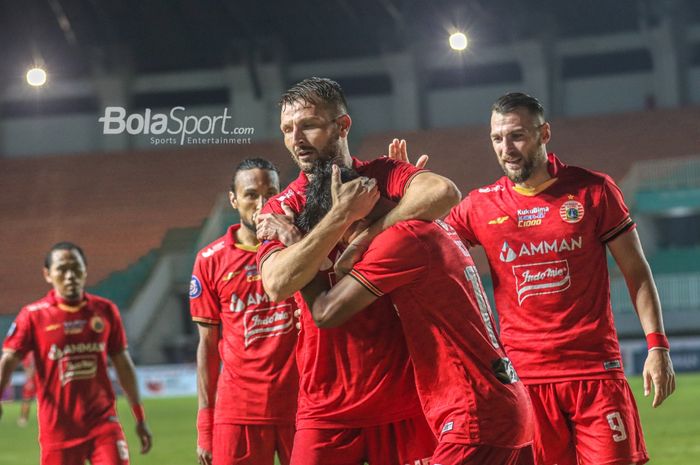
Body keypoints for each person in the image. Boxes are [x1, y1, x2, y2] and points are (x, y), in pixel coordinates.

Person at [437, 92, 676, 465]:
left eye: (516, 135)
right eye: (497, 139)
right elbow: (426, 246)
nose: (506, 148)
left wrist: (657, 347)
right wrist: (407, 195)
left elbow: (636, 272)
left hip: (596, 374)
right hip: (525, 382)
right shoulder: (480, 206)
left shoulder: (593, 190)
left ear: (544, 132)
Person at [255, 77, 460, 465]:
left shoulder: (383, 174)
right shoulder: (283, 205)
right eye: (286, 129)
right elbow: (277, 284)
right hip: (325, 405)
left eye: (309, 125)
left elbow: (444, 193)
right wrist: (340, 216)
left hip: (406, 397)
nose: (296, 138)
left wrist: (366, 235)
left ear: (343, 126)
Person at [296, 182, 535, 465]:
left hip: (472, 415)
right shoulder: (431, 226)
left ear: (352, 210)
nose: (340, 243)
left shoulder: (401, 240)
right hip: (498, 403)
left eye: (336, 230)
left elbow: (326, 312)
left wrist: (296, 251)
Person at [0, 242, 152, 465]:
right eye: (62, 269)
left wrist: (139, 416)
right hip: (58, 431)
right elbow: (9, 359)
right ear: (47, 275)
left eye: (76, 268)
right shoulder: (32, 316)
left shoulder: (105, 310)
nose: (70, 276)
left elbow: (122, 363)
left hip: (103, 424)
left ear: (85, 270)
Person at [190, 158, 299, 465]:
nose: (262, 203)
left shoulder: (300, 247)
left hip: (302, 406)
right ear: (234, 199)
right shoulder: (210, 260)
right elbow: (207, 347)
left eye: (271, 193)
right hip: (239, 411)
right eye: (251, 194)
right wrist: (204, 424)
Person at [17, 351, 36, 427]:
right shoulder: (31, 354)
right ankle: (23, 418)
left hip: (32, 380)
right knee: (27, 399)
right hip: (35, 379)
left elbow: (26, 368)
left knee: (27, 399)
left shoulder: (28, 354)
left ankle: (23, 418)